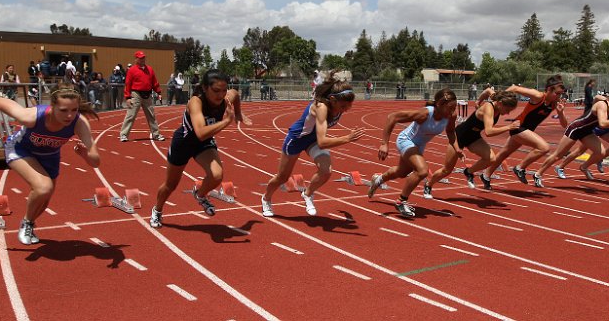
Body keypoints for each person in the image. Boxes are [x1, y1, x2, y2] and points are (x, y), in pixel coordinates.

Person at [0, 85, 100, 245]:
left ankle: (29, 223)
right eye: (63, 110)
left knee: (44, 198)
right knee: (44, 188)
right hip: (20, 149)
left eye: (74, 110)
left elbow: (95, 162)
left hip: (50, 156)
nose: (69, 116)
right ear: (53, 106)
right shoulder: (31, 116)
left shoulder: (79, 123)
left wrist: (85, 154)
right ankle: (27, 223)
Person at [150, 70, 250, 228]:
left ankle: (200, 194)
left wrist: (238, 113)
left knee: (217, 175)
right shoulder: (195, 102)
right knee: (171, 185)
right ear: (205, 88)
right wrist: (227, 120)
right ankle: (157, 209)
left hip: (203, 144)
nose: (221, 95)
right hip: (184, 143)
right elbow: (201, 132)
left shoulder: (225, 98)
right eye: (216, 91)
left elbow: (235, 94)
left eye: (224, 90)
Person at [261, 75, 364, 217]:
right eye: (343, 106)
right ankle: (266, 198)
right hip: (297, 139)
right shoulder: (321, 107)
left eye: (349, 106)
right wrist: (347, 138)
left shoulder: (337, 107)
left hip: (312, 140)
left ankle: (307, 193)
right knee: (282, 178)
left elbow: (319, 140)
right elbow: (323, 142)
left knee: (326, 170)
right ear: (332, 100)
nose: (346, 110)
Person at [367, 88, 460, 217]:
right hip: (406, 140)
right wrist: (384, 144)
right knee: (422, 170)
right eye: (451, 107)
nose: (453, 111)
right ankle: (401, 201)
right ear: (439, 104)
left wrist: (457, 148)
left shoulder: (450, 116)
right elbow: (392, 117)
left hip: (419, 145)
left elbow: (450, 132)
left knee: (402, 172)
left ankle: (378, 179)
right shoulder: (424, 114)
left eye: (455, 107)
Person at [479, 75, 568, 190]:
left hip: (525, 130)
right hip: (519, 127)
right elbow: (514, 88)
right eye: (557, 93)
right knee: (544, 147)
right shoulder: (537, 96)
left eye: (560, 94)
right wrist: (498, 101)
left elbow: (564, 125)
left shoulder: (554, 103)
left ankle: (486, 175)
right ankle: (520, 168)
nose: (559, 96)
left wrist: (560, 113)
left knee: (503, 153)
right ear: (549, 90)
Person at [424, 91, 519, 197]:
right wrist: (509, 127)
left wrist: (479, 101)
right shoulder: (489, 108)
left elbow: (488, 90)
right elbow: (488, 132)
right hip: (459, 137)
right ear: (500, 103)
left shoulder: (496, 100)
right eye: (507, 110)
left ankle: (468, 172)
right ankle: (428, 185)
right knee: (447, 170)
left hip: (473, 137)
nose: (508, 113)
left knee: (491, 158)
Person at [531, 90, 609, 187]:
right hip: (576, 129)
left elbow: (597, 99)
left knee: (601, 152)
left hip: (587, 132)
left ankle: (583, 167)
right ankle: (538, 174)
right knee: (558, 155)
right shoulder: (603, 105)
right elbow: (602, 123)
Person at [119, 51, 165, 142]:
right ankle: (124, 135)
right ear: (136, 59)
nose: (142, 59)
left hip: (147, 95)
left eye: (143, 57)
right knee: (131, 115)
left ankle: (156, 134)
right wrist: (128, 97)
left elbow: (154, 83)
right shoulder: (132, 70)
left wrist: (159, 92)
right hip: (136, 94)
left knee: (151, 115)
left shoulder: (150, 69)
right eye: (140, 58)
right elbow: (128, 84)